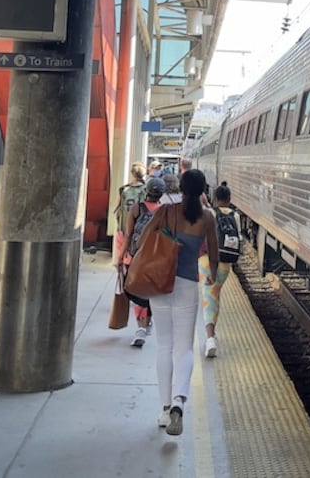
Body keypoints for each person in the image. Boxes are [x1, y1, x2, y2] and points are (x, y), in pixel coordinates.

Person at [151, 169, 218, 436]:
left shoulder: (165, 212)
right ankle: (180, 399)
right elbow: (213, 253)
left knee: (164, 346)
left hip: (160, 284)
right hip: (188, 286)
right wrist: (211, 275)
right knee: (184, 348)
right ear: (203, 190)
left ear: (180, 186)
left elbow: (147, 242)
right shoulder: (207, 218)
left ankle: (165, 409)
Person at [115, 176, 162, 348]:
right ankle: (147, 323)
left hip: (135, 257)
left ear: (146, 191)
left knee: (135, 291)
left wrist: (120, 257)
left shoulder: (136, 209)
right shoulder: (163, 210)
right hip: (155, 259)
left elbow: (128, 235)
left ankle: (141, 328)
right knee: (150, 293)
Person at [199, 182, 237, 358]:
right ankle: (212, 333)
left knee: (209, 298)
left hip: (207, 262)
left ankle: (209, 338)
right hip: (226, 264)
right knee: (215, 295)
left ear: (215, 198)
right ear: (229, 199)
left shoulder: (210, 214)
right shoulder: (235, 216)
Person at [113, 162, 147, 263]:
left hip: (123, 228)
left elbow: (117, 208)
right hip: (141, 230)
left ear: (132, 174)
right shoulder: (146, 190)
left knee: (123, 259)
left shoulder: (123, 189)